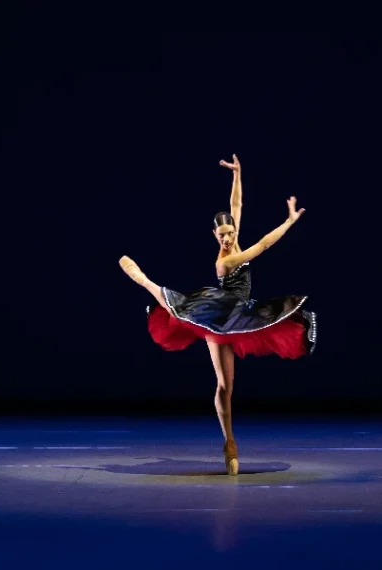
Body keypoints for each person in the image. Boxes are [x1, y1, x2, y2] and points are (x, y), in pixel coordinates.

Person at [117, 155, 316, 476]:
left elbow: (236, 205)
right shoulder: (227, 260)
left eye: (229, 232)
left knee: (227, 387)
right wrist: (290, 222)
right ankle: (143, 280)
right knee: (219, 379)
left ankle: (228, 444)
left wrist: (238, 175)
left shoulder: (234, 235)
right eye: (221, 234)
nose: (226, 237)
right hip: (219, 316)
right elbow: (264, 245)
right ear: (214, 235)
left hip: (239, 314)